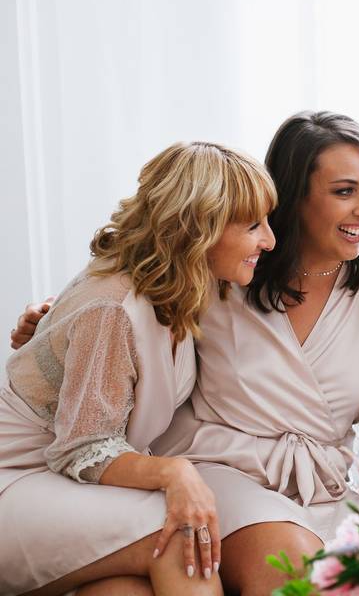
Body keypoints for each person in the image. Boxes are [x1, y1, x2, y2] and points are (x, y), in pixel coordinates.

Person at [0, 142, 277, 595]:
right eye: (253, 226)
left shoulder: (187, 285)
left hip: (70, 487)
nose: (269, 240)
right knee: (182, 531)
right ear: (199, 228)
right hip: (20, 478)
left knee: (121, 591)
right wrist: (175, 472)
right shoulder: (112, 307)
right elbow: (79, 448)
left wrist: (46, 327)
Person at [149, 111, 359, 594]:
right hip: (224, 471)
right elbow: (135, 298)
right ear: (293, 195)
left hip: (327, 487)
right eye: (345, 191)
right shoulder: (228, 272)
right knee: (296, 576)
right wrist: (51, 318)